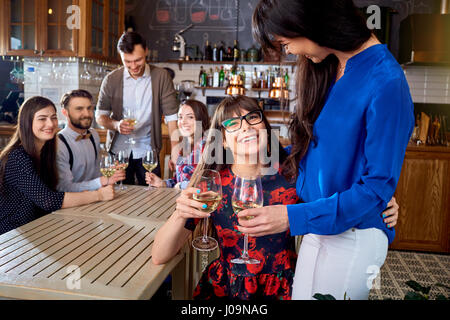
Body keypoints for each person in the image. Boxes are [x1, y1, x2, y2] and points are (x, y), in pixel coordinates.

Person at [237, 0, 414, 300]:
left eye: (285, 42)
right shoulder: (331, 66)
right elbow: (317, 149)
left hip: (354, 235)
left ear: (307, 22)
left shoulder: (387, 82)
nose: (289, 51)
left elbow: (374, 189)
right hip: (318, 228)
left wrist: (292, 218)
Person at [151, 96, 399, 300]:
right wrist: (180, 212)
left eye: (252, 118)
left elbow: (341, 197)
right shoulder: (213, 186)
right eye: (233, 123)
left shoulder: (293, 176)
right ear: (222, 140)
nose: (246, 126)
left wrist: (380, 201)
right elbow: (160, 254)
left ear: (265, 129)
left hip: (287, 287)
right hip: (225, 289)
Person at [0, 96, 114, 235]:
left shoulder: (46, 152)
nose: (50, 124)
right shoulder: (18, 156)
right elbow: (48, 200)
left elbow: (56, 192)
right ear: (27, 122)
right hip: (13, 235)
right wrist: (98, 195)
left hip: (39, 227)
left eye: (53, 117)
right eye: (42, 119)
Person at [96, 31, 179, 185]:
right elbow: (100, 116)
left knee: (152, 199)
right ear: (120, 56)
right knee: (119, 198)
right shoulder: (111, 80)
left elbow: (171, 117)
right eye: (127, 61)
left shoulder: (161, 77)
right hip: (119, 153)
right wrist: (116, 125)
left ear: (146, 51)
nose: (133, 66)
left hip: (148, 152)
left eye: (138, 60)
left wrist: (175, 149)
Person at [56, 90, 125, 192]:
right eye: (79, 109)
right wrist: (102, 181)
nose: (87, 114)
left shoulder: (93, 135)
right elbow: (65, 187)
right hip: (73, 203)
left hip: (97, 198)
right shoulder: (59, 143)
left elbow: (96, 174)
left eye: (89, 108)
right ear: (65, 113)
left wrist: (111, 171)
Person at [145, 99, 209, 190]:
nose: (183, 122)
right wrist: (162, 183)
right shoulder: (184, 146)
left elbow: (208, 183)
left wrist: (180, 186)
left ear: (201, 120)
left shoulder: (207, 146)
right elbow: (178, 181)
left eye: (190, 117)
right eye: (180, 117)